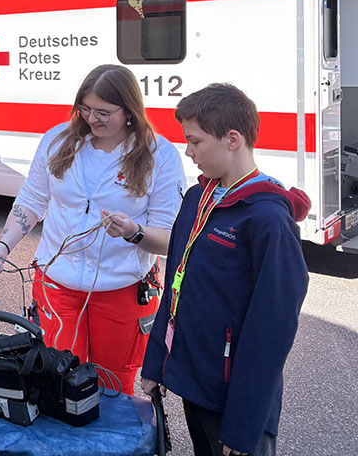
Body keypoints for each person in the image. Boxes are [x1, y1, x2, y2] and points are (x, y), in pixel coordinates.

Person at [0, 64, 185, 393]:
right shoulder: (57, 141)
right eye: (86, 109)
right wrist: (3, 246)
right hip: (57, 284)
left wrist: (134, 231)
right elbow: (31, 201)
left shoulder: (160, 155)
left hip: (122, 290)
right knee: (59, 377)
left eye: (104, 112)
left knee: (113, 384)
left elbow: (169, 239)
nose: (92, 119)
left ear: (131, 111)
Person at [141, 84, 309, 456]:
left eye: (196, 141)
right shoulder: (197, 200)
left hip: (237, 402)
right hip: (194, 383)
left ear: (233, 139)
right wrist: (156, 362)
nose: (189, 152)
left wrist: (244, 423)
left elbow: (272, 331)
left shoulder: (267, 219)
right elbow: (174, 286)